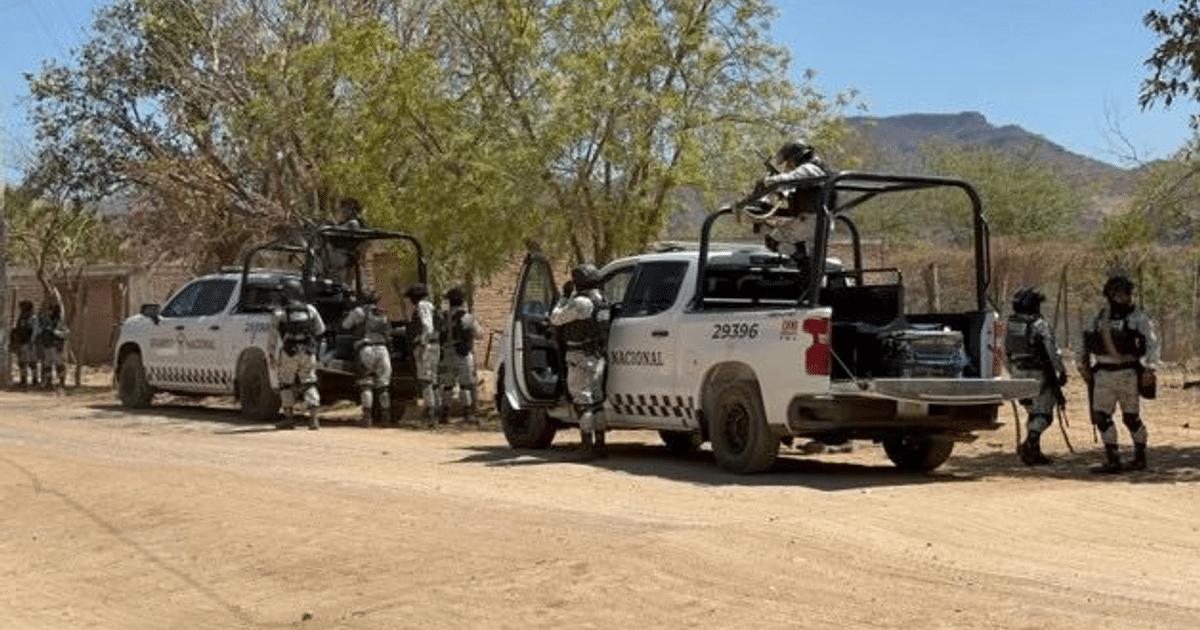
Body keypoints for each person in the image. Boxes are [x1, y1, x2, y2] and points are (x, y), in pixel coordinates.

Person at [1077, 273, 1161, 473]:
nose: (1125, 298)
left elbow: (1153, 344)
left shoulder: (1138, 317)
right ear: (1110, 295)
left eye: (1127, 294)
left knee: (1131, 418)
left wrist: (1150, 369)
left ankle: (1139, 457)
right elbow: (1082, 346)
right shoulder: (1096, 319)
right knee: (1101, 416)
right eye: (1120, 294)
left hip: (1128, 374)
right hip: (1103, 374)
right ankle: (1112, 459)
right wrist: (1083, 370)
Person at [550, 264, 611, 458]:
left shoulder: (581, 303)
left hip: (580, 356)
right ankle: (600, 446)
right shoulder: (602, 300)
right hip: (598, 356)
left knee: (582, 402)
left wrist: (563, 298)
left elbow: (556, 319)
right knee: (597, 401)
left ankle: (586, 447)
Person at [1005, 286, 1068, 466]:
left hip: (1018, 374)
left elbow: (1004, 352)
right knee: (1044, 416)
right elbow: (1052, 352)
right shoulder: (1040, 324)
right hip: (1039, 374)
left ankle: (1034, 452)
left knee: (1032, 413)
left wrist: (1013, 372)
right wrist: (1061, 371)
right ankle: (1030, 443)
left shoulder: (1010, 325)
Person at [743, 140, 832, 264]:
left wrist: (766, 181)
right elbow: (793, 189)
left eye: (789, 160)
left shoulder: (809, 168)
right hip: (816, 221)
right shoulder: (817, 169)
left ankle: (802, 259)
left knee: (773, 240)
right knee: (813, 259)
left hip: (810, 222)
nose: (789, 165)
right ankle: (806, 268)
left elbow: (786, 180)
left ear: (797, 156)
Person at [270, 277, 326, 430]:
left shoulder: (279, 312)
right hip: (308, 352)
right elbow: (321, 330)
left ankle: (289, 418)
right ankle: (314, 419)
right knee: (309, 382)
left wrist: (271, 355)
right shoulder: (311, 310)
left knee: (285, 384)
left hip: (289, 353)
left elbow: (273, 338)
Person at [341, 291, 395, 428]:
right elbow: (389, 332)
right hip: (383, 351)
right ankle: (385, 418)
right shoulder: (383, 313)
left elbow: (345, 326)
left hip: (366, 349)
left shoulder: (359, 311)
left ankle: (367, 418)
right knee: (383, 387)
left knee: (366, 385)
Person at [440, 286, 484, 425]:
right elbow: (479, 335)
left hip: (447, 352)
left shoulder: (443, 317)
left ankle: (444, 414)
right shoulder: (467, 317)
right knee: (465, 385)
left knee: (447, 385)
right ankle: (467, 414)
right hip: (463, 354)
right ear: (462, 301)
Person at [404, 283, 440, 426]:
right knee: (434, 380)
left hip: (426, 346)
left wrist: (423, 341)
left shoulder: (422, 305)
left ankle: (431, 415)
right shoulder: (431, 306)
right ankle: (437, 412)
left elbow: (427, 325)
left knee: (426, 381)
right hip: (435, 345)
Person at [37, 302, 69, 389]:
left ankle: (61, 383)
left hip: (57, 346)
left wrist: (55, 332)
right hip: (48, 345)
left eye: (51, 311)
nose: (49, 312)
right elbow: (41, 331)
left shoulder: (60, 321)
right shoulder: (46, 321)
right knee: (47, 365)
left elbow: (65, 333)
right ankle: (48, 382)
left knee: (59, 365)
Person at [10, 300, 39, 388]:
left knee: (32, 363)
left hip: (29, 343)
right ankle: (23, 380)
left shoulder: (31, 317)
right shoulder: (22, 317)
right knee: (22, 362)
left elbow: (34, 331)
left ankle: (34, 380)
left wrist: (32, 342)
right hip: (22, 342)